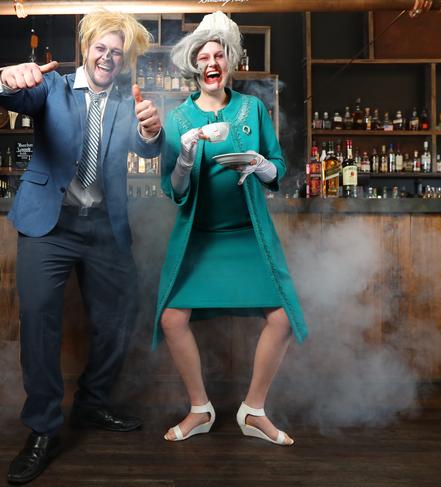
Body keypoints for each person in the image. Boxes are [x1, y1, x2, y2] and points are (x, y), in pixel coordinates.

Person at [0, 11, 162, 485]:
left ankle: (92, 404)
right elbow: (9, 92)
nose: (108, 57)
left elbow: (149, 149)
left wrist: (153, 130)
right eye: (100, 48)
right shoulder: (53, 88)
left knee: (118, 317)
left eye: (117, 51)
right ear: (85, 47)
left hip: (104, 227)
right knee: (39, 322)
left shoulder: (129, 100)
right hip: (49, 226)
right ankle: (43, 429)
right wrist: (6, 77)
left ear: (124, 58)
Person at [154, 11, 308, 446]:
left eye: (218, 54)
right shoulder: (178, 119)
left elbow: (278, 168)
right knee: (171, 318)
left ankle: (253, 410)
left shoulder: (252, 109)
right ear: (194, 66)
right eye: (203, 56)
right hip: (200, 238)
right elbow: (173, 189)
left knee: (281, 318)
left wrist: (260, 166)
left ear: (229, 63)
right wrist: (184, 157)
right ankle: (200, 409)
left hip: (247, 234)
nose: (210, 61)